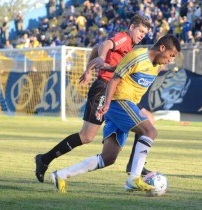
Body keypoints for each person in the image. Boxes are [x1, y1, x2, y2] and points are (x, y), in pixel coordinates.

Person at [50, 34, 181, 193]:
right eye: (170, 55)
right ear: (162, 48)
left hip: (125, 105)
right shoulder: (138, 56)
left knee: (108, 158)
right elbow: (113, 80)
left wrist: (104, 66)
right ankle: (134, 178)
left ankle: (61, 174)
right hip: (119, 102)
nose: (170, 60)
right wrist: (106, 104)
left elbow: (120, 69)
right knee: (150, 130)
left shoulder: (156, 65)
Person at [35, 14, 151, 183]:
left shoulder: (131, 46)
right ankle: (44, 159)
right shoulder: (124, 38)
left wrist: (90, 68)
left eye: (145, 33)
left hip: (117, 93)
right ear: (132, 27)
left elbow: (96, 48)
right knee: (86, 136)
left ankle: (135, 164)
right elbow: (104, 44)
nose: (142, 35)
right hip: (103, 89)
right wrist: (101, 59)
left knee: (145, 121)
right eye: (140, 31)